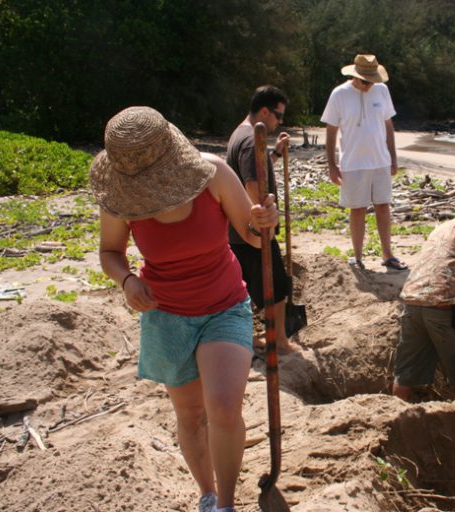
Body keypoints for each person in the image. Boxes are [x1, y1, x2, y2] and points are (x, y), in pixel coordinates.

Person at [90, 106, 279, 512]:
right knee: (191, 414)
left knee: (223, 408)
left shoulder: (212, 174)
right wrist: (127, 281)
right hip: (166, 315)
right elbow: (109, 252)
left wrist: (265, 222)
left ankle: (226, 504)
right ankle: (207, 494)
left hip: (224, 306)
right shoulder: (120, 198)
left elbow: (253, 236)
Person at [392, 203, 455, 401]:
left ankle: (393, 411)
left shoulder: (441, 228)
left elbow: (445, 271)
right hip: (444, 305)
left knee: (406, 373)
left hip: (413, 301)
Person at [226, 85, 297, 353]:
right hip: (253, 232)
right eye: (278, 115)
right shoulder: (249, 141)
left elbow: (256, 168)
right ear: (265, 111)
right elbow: (253, 185)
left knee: (245, 289)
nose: (280, 122)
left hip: (240, 231)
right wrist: (263, 223)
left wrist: (275, 154)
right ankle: (279, 341)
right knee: (275, 287)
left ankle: (249, 337)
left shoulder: (242, 134)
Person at [321, 53, 407, 271]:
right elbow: (331, 131)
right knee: (357, 210)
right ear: (355, 76)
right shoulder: (339, 94)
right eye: (365, 81)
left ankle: (388, 254)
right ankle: (358, 257)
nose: (369, 85)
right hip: (353, 163)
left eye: (372, 81)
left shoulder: (382, 90)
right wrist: (331, 165)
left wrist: (393, 157)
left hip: (380, 161)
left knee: (383, 206)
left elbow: (388, 125)